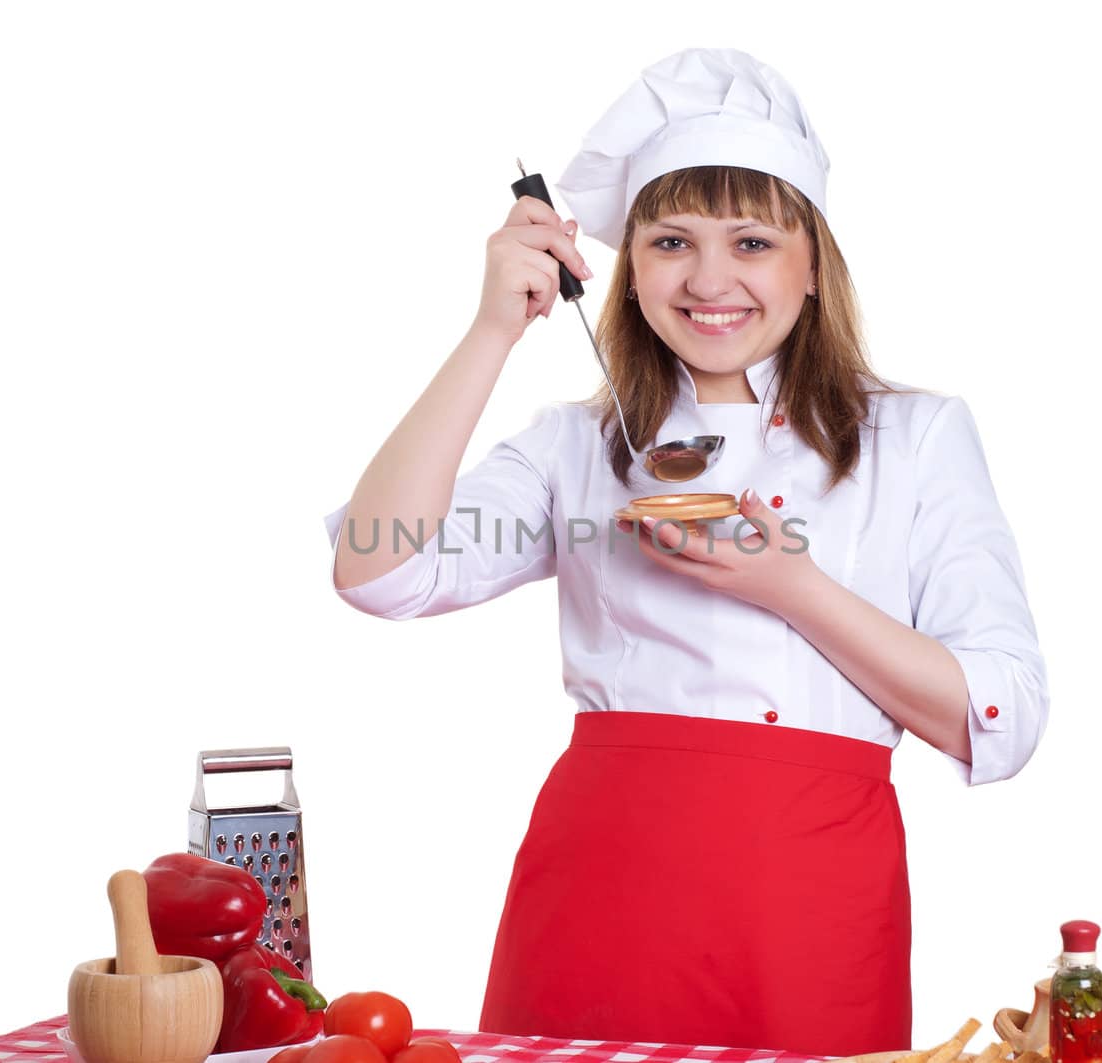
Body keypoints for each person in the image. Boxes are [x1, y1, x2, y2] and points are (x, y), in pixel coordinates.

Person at [323, 48, 1047, 1057]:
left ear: (811, 265)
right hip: (597, 895)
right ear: (627, 266)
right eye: (671, 241)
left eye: (752, 241)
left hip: (807, 905)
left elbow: (999, 713)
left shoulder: (913, 439)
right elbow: (379, 566)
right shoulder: (580, 443)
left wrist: (789, 587)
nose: (710, 281)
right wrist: (491, 331)